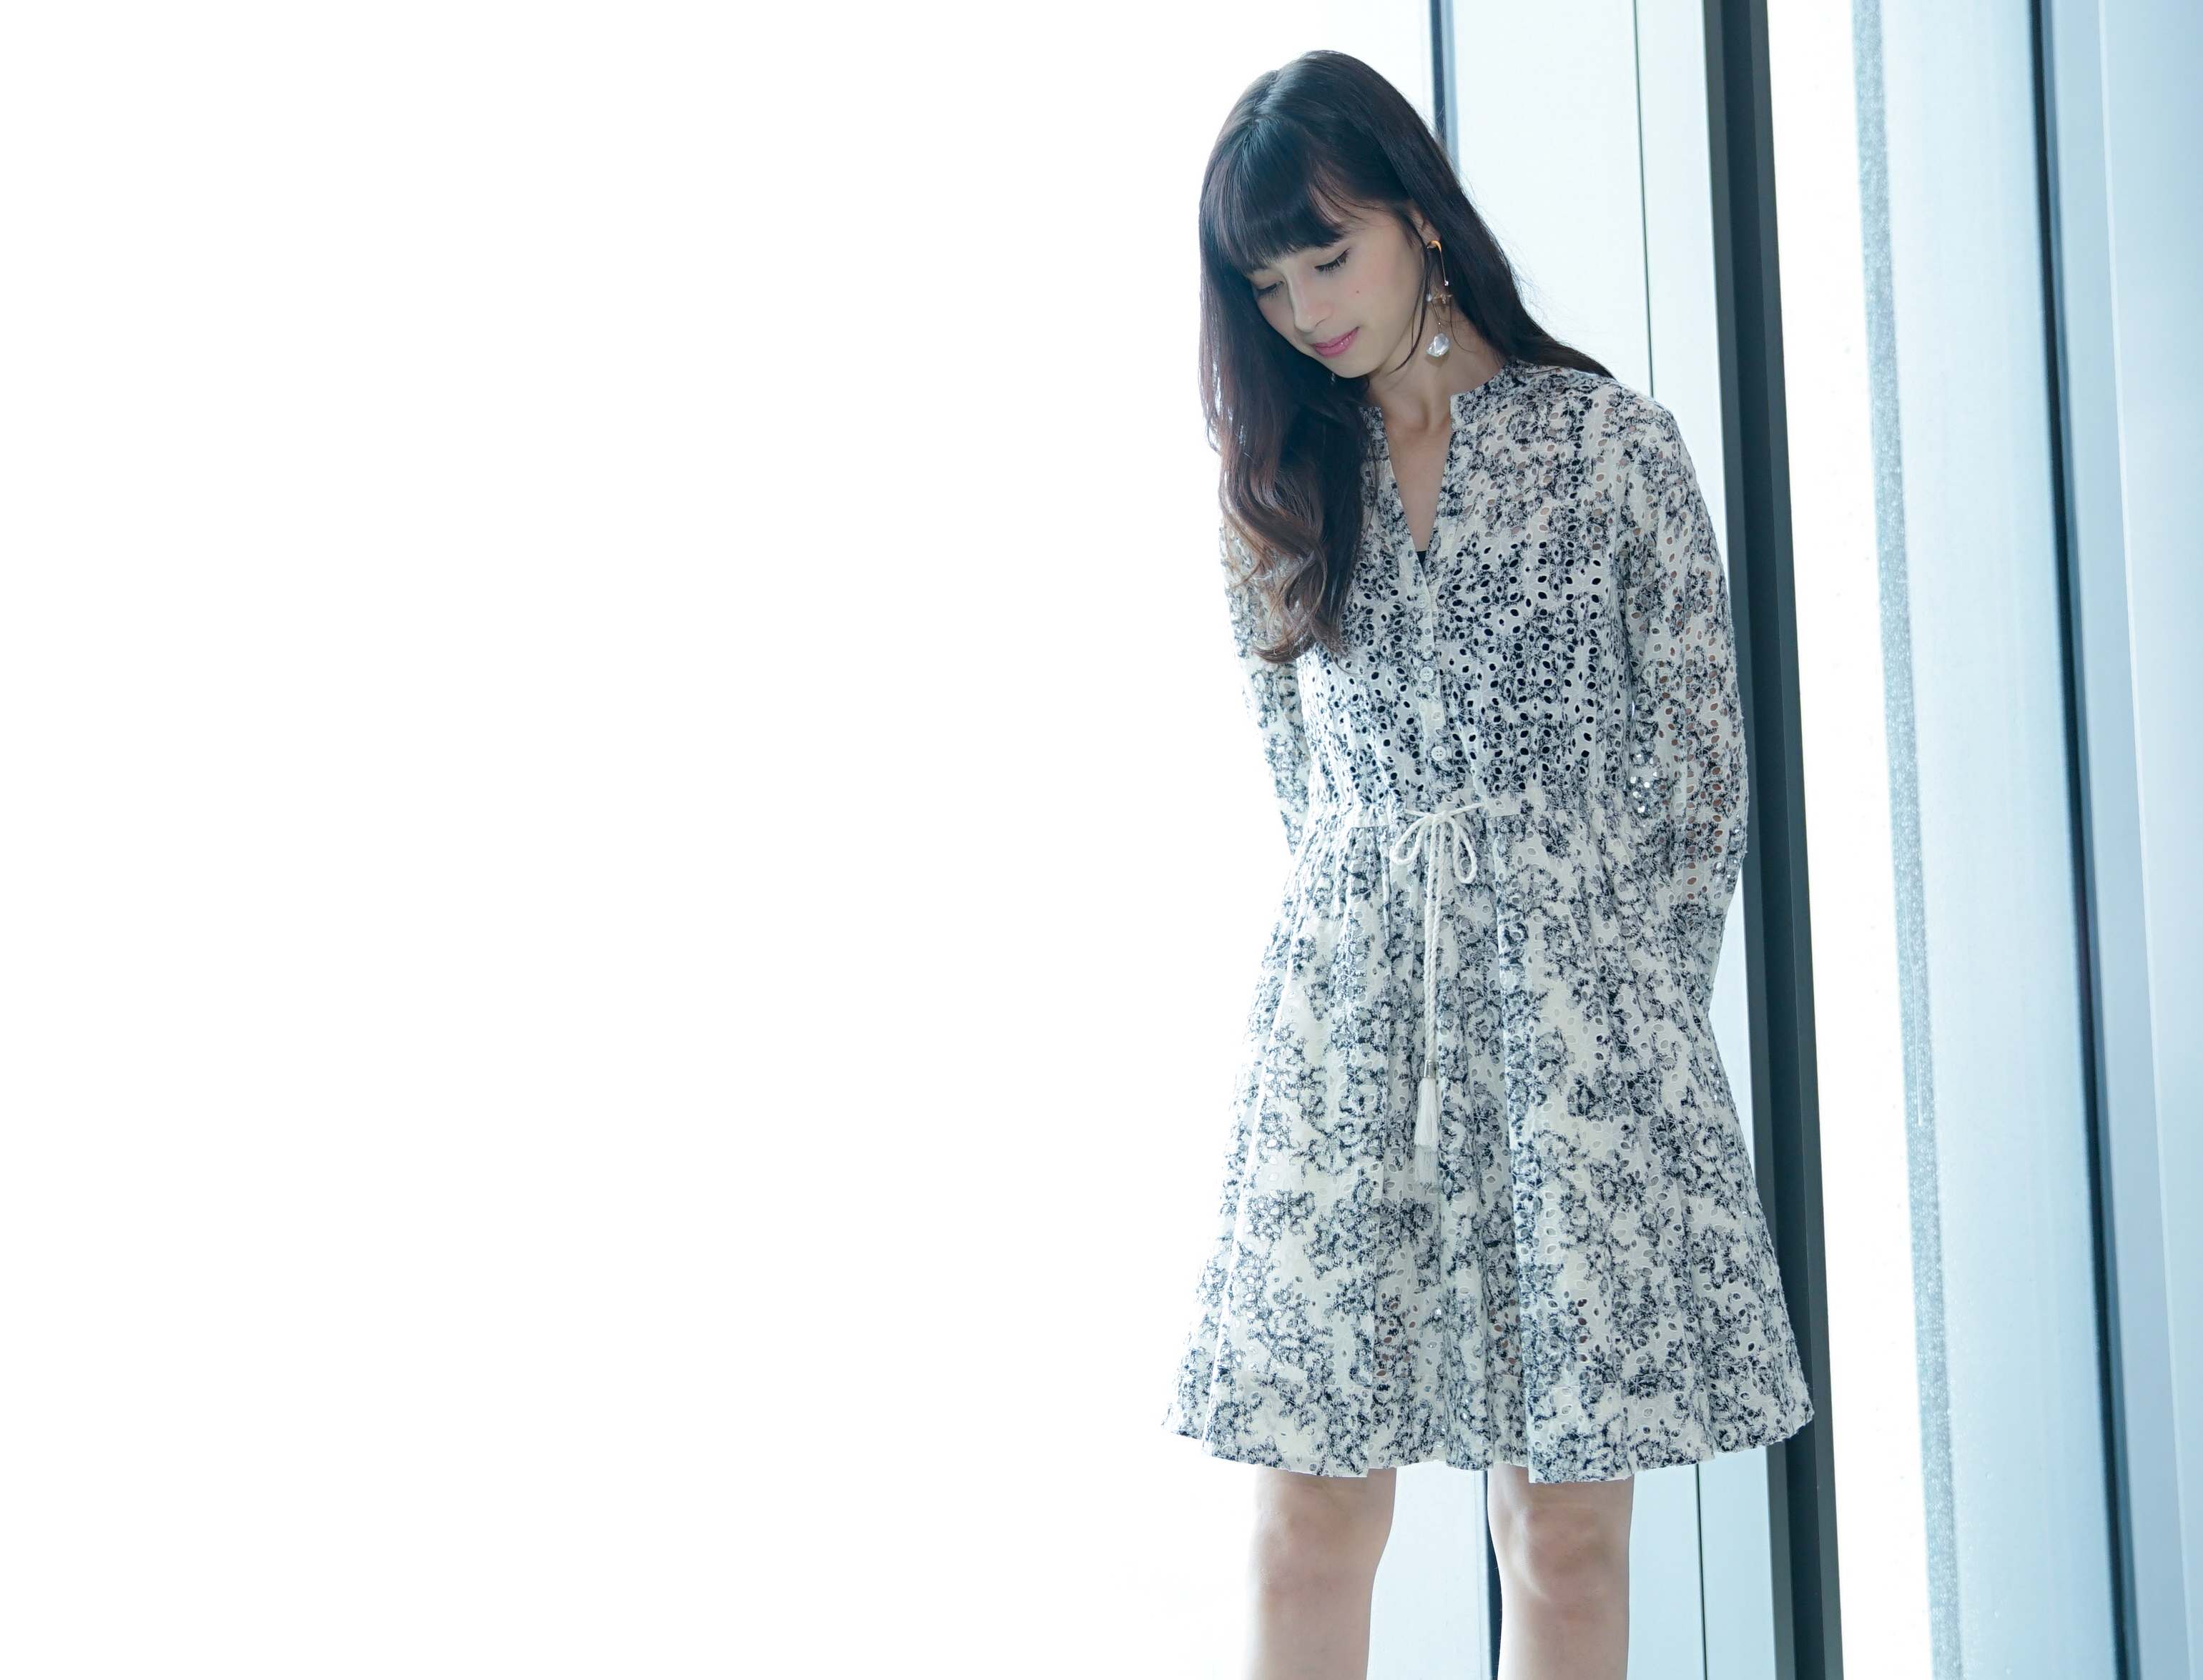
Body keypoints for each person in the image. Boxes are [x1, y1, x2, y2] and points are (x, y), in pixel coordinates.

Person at [1160, 51, 1815, 1680]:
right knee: (1306, 1517)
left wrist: (1616, 1021)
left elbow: (1698, 786)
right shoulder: (1273, 493)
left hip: (1578, 1043)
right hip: (1349, 1041)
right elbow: (1311, 799)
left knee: (1564, 1541)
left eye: (1329, 255)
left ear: (1420, 219)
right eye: (1268, 283)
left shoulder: (1610, 450)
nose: (1306, 310)